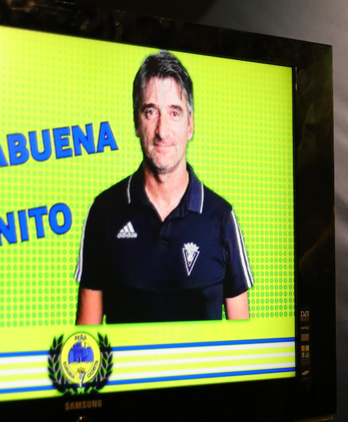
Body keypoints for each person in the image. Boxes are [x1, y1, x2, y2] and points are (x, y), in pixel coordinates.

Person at [74, 50, 253, 325]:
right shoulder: (103, 213)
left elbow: (244, 347)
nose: (162, 130)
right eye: (150, 112)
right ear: (136, 122)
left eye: (174, 113)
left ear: (190, 125)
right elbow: (85, 345)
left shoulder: (222, 218)